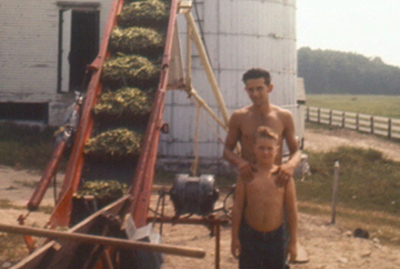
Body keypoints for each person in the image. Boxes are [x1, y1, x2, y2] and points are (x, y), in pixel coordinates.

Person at [231, 126, 298, 268]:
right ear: (254, 148)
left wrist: (293, 241)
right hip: (250, 236)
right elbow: (237, 208)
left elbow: (292, 211)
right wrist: (234, 237)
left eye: (269, 148)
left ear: (277, 150)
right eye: (261, 148)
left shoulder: (283, 176)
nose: (265, 152)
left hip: (276, 238)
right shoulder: (246, 175)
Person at [223, 68, 301, 184]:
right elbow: (227, 151)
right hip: (248, 180)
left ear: (269, 88)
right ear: (246, 90)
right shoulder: (239, 117)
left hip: (275, 181)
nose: (255, 94)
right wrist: (240, 163)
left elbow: (296, 151)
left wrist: (290, 166)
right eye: (251, 90)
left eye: (259, 89)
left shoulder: (284, 117)